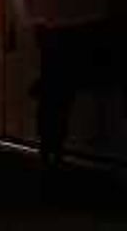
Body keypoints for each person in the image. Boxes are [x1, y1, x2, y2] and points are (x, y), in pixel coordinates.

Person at [29, 25, 74, 169]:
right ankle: (55, 161)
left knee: (48, 134)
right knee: (55, 133)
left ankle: (49, 163)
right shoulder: (55, 54)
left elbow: (47, 78)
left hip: (50, 100)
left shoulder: (48, 55)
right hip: (57, 99)